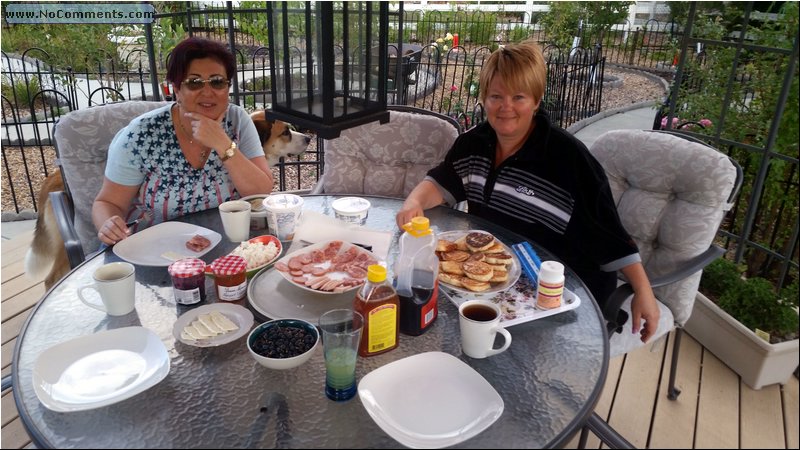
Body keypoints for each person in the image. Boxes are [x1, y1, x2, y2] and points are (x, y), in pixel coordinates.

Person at [396, 40, 660, 343]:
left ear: (536, 100)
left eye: (518, 96)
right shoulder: (473, 144)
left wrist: (643, 291)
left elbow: (611, 235)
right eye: (496, 96)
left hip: (558, 294)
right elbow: (441, 183)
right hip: (494, 283)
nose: (505, 107)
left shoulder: (570, 159)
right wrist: (414, 201)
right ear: (484, 98)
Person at [93, 37, 273, 245]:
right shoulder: (142, 133)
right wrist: (108, 224)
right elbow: (107, 202)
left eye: (217, 82)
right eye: (194, 82)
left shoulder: (237, 120)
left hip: (231, 243)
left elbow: (261, 192)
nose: (208, 92)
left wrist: (222, 144)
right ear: (176, 89)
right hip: (161, 250)